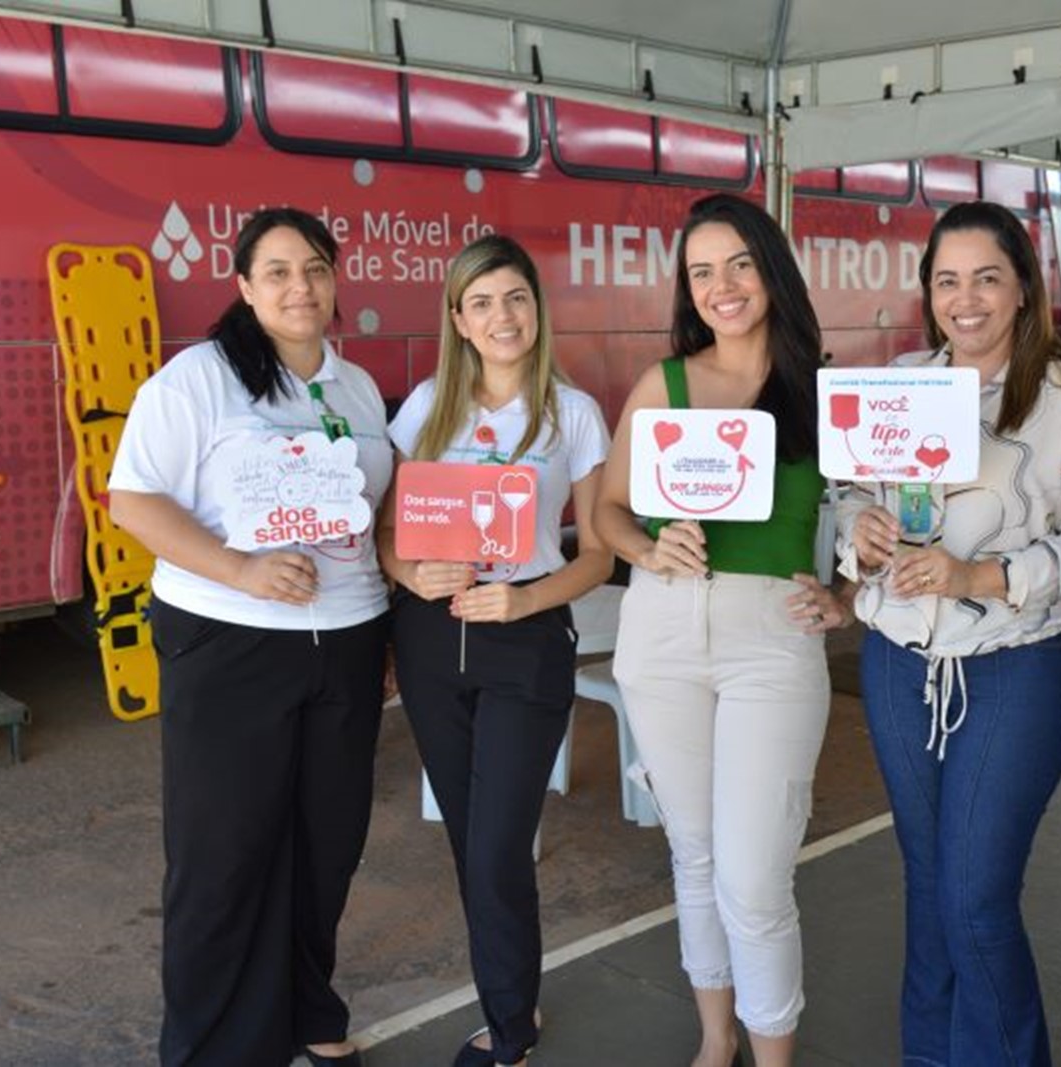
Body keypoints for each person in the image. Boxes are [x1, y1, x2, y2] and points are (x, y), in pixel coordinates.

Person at [836, 200, 1061, 1066]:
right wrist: (860, 532)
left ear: (1024, 290)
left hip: (1013, 667)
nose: (967, 299)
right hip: (897, 662)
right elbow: (847, 497)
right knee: (930, 886)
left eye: (987, 278)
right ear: (928, 292)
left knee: (974, 896)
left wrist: (983, 576)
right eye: (947, 280)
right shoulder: (901, 380)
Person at [108, 207, 391, 1067]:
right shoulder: (196, 382)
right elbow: (134, 501)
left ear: (335, 278)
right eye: (276, 272)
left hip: (344, 640)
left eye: (313, 268)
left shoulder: (356, 388)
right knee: (223, 855)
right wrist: (241, 569)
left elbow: (377, 510)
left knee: (327, 844)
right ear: (243, 286)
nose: (299, 287)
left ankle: (309, 1008)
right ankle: (211, 1048)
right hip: (230, 639)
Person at [594, 193, 846, 1067]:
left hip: (771, 639)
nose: (721, 286)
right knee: (695, 857)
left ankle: (772, 1058)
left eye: (738, 263)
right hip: (662, 634)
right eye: (701, 272)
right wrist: (651, 546)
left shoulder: (825, 387)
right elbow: (609, 513)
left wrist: (845, 593)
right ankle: (714, 1041)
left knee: (752, 874)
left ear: (771, 268)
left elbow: (884, 515)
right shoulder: (662, 385)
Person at [377, 235, 612, 1067]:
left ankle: (509, 1027)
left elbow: (597, 555)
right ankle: (512, 1003)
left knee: (497, 843)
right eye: (482, 302)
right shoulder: (429, 405)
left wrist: (524, 598)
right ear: (459, 319)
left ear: (537, 309)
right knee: (467, 838)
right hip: (435, 640)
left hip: (527, 642)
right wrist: (411, 570)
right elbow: (385, 530)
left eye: (515, 297)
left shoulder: (571, 412)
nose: (501, 316)